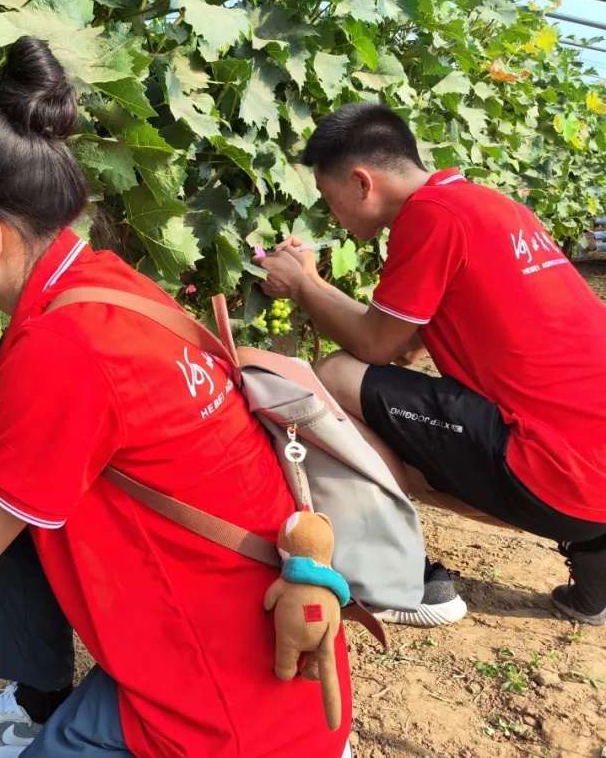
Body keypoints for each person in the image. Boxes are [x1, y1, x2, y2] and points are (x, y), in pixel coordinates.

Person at [0, 37, 354, 757]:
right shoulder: (94, 286)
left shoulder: (68, 350)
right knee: (5, 489)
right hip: (237, 633)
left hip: (222, 708)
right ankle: (45, 709)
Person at [255, 102, 606, 627]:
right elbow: (406, 347)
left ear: (362, 181)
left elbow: (374, 348)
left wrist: (304, 285)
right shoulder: (487, 206)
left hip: (557, 477)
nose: (334, 219)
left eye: (331, 201)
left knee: (333, 378)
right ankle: (596, 577)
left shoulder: (429, 218)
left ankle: (407, 580)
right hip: (593, 468)